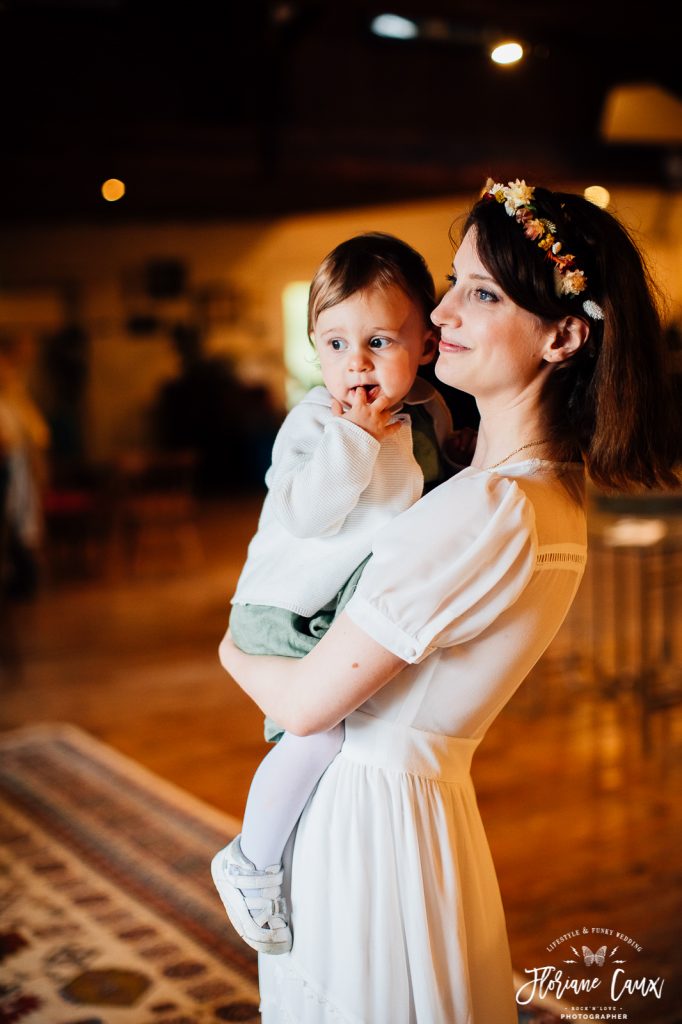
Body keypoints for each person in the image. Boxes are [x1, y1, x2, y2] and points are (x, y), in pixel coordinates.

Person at [217, 180, 679, 1023]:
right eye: (450, 285)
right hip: (410, 813)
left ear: (566, 335)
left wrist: (231, 650)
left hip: (373, 823)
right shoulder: (536, 493)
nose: (441, 315)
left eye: (480, 292)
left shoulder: (488, 507)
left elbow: (309, 703)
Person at [212, 232, 458, 955]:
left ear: (426, 346)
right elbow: (304, 511)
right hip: (281, 609)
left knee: (344, 737)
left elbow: (434, 485)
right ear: (315, 349)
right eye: (336, 343)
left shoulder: (429, 417)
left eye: (380, 341)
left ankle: (307, 859)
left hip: (335, 608)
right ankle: (250, 861)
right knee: (318, 734)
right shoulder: (315, 424)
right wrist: (352, 438)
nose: (356, 363)